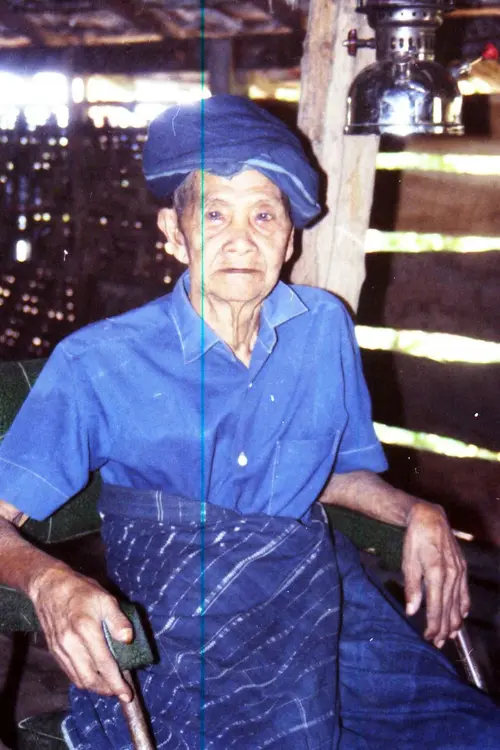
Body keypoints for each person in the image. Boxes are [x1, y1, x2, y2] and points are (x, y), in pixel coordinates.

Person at [0, 95, 498, 749]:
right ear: (173, 232)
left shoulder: (322, 328)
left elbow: (328, 475)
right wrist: (50, 582)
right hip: (187, 638)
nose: (241, 238)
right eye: (214, 213)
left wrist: (416, 512)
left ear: (289, 238)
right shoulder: (98, 362)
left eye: (264, 214)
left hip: (326, 612)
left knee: (468, 731)